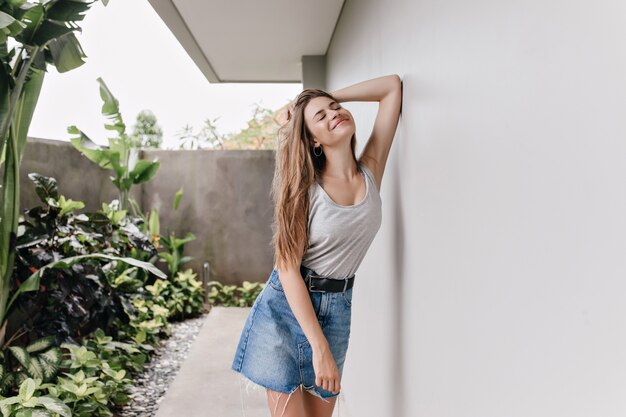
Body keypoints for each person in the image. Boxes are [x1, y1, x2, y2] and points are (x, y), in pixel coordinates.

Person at [231, 74, 403, 417]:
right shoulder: (304, 191)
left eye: (335, 108)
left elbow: (391, 87)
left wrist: (320, 98)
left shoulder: (370, 171)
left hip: (338, 309)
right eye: (321, 117)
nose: (334, 113)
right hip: (285, 309)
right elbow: (287, 268)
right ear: (313, 141)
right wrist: (318, 345)